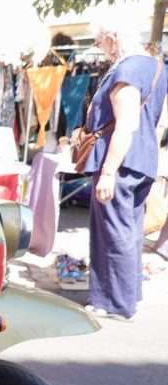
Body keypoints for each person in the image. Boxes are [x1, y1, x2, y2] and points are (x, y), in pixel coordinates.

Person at [77, 20, 167, 320]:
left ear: (113, 38)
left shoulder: (127, 70)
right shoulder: (154, 67)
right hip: (141, 158)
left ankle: (115, 302)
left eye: (100, 42)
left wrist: (108, 172)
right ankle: (128, 295)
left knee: (113, 231)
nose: (101, 50)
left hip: (122, 160)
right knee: (127, 230)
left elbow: (126, 124)